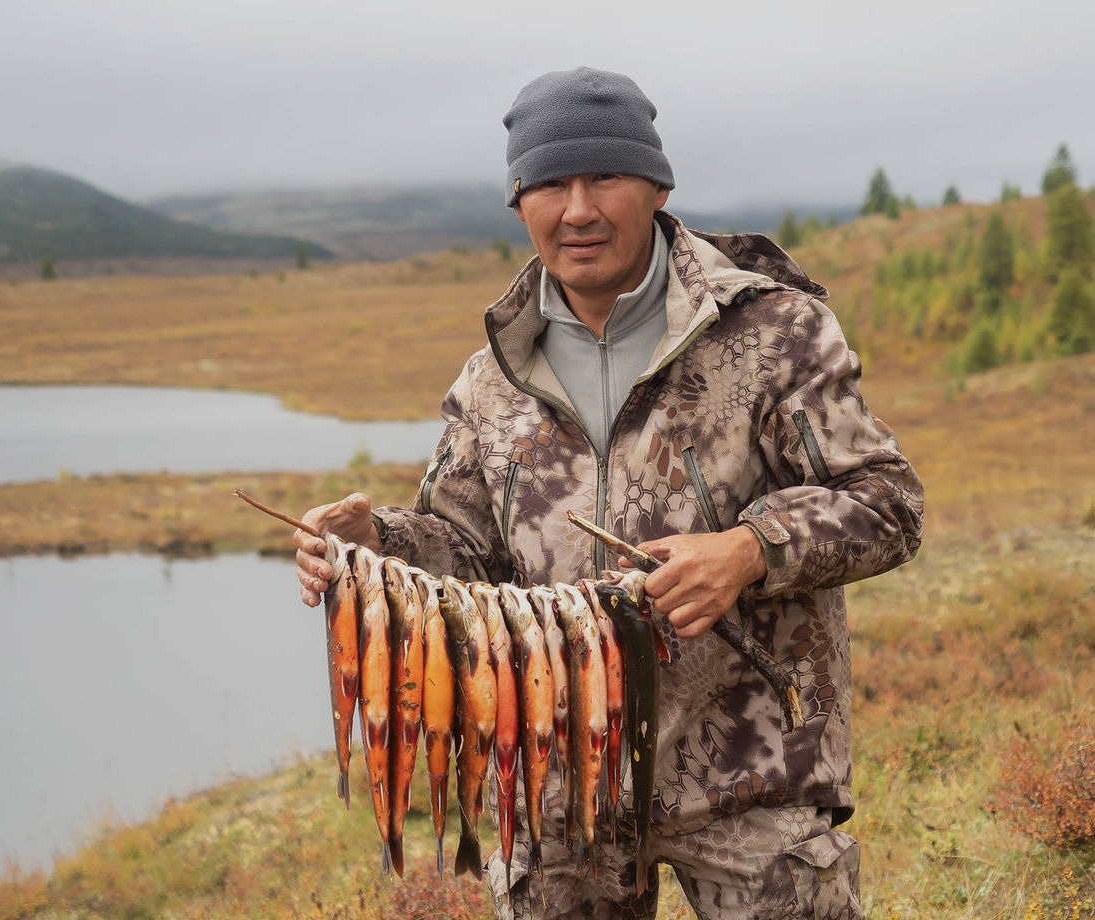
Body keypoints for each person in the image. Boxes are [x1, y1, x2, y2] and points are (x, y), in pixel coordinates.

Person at [293, 67, 923, 920]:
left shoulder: (771, 331)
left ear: (658, 187)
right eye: (550, 182)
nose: (578, 208)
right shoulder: (491, 380)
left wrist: (748, 551)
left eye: (606, 177)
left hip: (750, 772)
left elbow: (887, 502)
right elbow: (469, 549)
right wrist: (380, 544)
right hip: (558, 786)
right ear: (519, 200)